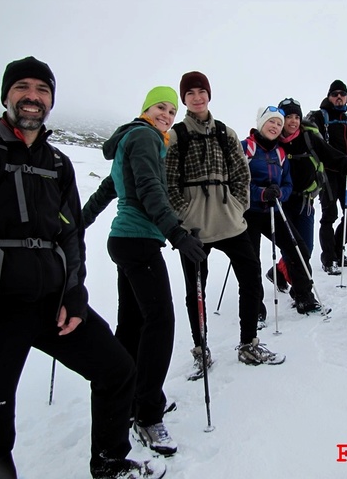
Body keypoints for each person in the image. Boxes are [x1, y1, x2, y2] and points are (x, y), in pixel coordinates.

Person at [0, 56, 165, 479]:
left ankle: (111, 463)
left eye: (42, 90)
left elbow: (70, 236)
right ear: (6, 95)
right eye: (22, 87)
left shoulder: (58, 164)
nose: (32, 97)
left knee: (117, 370)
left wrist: (75, 294)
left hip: (53, 305)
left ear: (51, 100)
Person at [81, 86, 207, 457]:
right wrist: (177, 233)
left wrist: (76, 223)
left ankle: (127, 399)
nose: (167, 115)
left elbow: (110, 187)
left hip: (127, 241)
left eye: (171, 110)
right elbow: (151, 190)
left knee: (134, 325)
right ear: (145, 109)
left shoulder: (131, 137)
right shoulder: (145, 136)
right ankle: (147, 413)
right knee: (160, 322)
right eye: (160, 108)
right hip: (138, 241)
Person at [165, 71, 284, 374]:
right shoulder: (176, 135)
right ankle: (200, 349)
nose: (197, 97)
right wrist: (183, 213)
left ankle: (249, 343)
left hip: (231, 222)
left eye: (201, 91)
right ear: (184, 99)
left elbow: (241, 174)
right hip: (194, 229)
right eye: (190, 93)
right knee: (196, 290)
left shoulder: (225, 133)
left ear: (209, 94)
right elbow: (168, 181)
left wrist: (238, 205)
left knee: (251, 279)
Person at [270, 97, 347, 290]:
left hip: (305, 202)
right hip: (281, 204)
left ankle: (279, 272)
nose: (293, 121)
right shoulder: (272, 142)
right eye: (288, 117)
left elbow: (336, 158)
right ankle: (303, 295)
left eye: (297, 116)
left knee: (306, 249)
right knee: (293, 250)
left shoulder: (309, 138)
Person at [242, 105, 321, 316]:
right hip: (248, 213)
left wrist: (279, 193)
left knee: (299, 249)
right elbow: (236, 183)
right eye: (271, 122)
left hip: (274, 212)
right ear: (261, 123)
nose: (275, 126)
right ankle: (254, 308)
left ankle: (304, 296)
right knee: (251, 262)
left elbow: (287, 184)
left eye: (279, 123)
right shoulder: (245, 148)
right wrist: (260, 193)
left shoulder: (280, 153)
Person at [307, 80, 347, 274]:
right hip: (328, 174)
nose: (339, 97)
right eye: (335, 94)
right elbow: (315, 144)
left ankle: (338, 252)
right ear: (329, 96)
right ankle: (328, 258)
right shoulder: (319, 116)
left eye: (342, 94)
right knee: (329, 215)